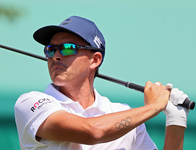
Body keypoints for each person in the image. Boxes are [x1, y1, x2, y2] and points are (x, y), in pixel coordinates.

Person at [14, 16, 189, 150]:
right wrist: (153, 107)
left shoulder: (122, 113)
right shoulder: (29, 103)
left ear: (95, 60)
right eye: (50, 49)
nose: (56, 56)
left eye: (68, 48)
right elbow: (93, 131)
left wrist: (176, 121)